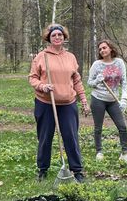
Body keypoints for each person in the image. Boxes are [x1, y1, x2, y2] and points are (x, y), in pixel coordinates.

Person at [28, 23, 90, 183]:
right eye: (54, 35)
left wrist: (83, 99)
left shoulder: (70, 57)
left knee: (71, 136)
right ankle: (43, 169)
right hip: (46, 103)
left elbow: (76, 80)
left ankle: (77, 170)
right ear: (49, 38)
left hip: (68, 103)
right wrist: (42, 86)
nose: (57, 37)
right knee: (45, 137)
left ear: (64, 37)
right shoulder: (42, 56)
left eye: (60, 35)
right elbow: (32, 78)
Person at [87, 39, 127, 163]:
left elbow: (124, 82)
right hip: (98, 99)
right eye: (100, 49)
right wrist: (97, 81)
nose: (102, 50)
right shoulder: (96, 64)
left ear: (111, 48)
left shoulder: (119, 62)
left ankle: (125, 153)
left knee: (122, 126)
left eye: (104, 48)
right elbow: (89, 83)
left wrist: (124, 99)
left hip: (114, 100)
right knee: (98, 128)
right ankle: (99, 152)